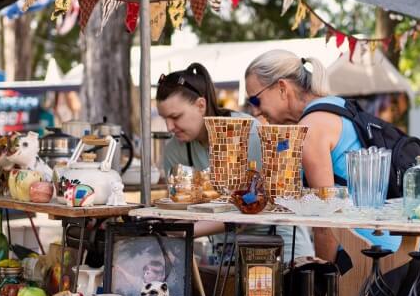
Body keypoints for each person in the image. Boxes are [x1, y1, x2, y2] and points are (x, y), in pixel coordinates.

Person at [244, 50, 401, 275]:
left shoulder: (311, 128)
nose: (255, 111)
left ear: (282, 88)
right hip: (394, 248)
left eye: (255, 100)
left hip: (368, 259)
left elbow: (324, 225)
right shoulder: (335, 106)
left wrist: (321, 284)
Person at [156, 63, 314, 263]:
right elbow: (180, 205)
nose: (169, 127)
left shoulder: (248, 131)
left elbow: (252, 206)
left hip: (281, 249)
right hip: (228, 254)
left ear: (200, 105)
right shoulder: (174, 149)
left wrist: (184, 230)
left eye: (175, 116)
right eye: (164, 119)